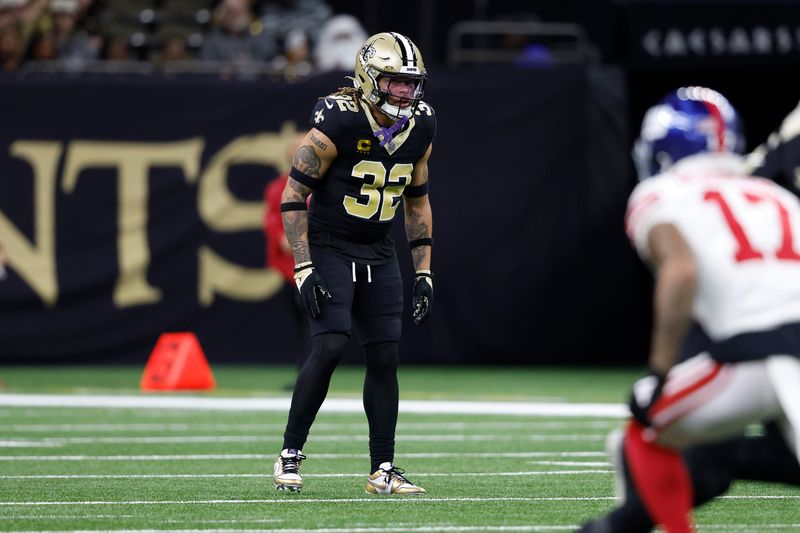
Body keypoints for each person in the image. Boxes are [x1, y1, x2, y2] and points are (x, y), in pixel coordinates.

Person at [579, 86, 800, 533]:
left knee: (640, 427)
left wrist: (660, 369)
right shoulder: (778, 196)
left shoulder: (663, 193)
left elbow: (680, 273)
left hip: (754, 356)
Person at [272, 31, 435, 495]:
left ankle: (382, 468)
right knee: (330, 345)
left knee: (385, 354)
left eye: (411, 82)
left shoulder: (422, 124)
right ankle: (290, 453)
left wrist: (423, 270)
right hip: (330, 243)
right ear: (369, 78)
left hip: (378, 248)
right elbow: (293, 195)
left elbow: (417, 201)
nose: (405, 91)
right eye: (395, 81)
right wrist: (303, 266)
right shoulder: (339, 120)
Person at [263, 130, 309, 381]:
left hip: (316, 266)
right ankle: (304, 372)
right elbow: (273, 223)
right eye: (293, 147)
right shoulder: (277, 188)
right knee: (300, 325)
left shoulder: (325, 188)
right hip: (290, 269)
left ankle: (310, 373)